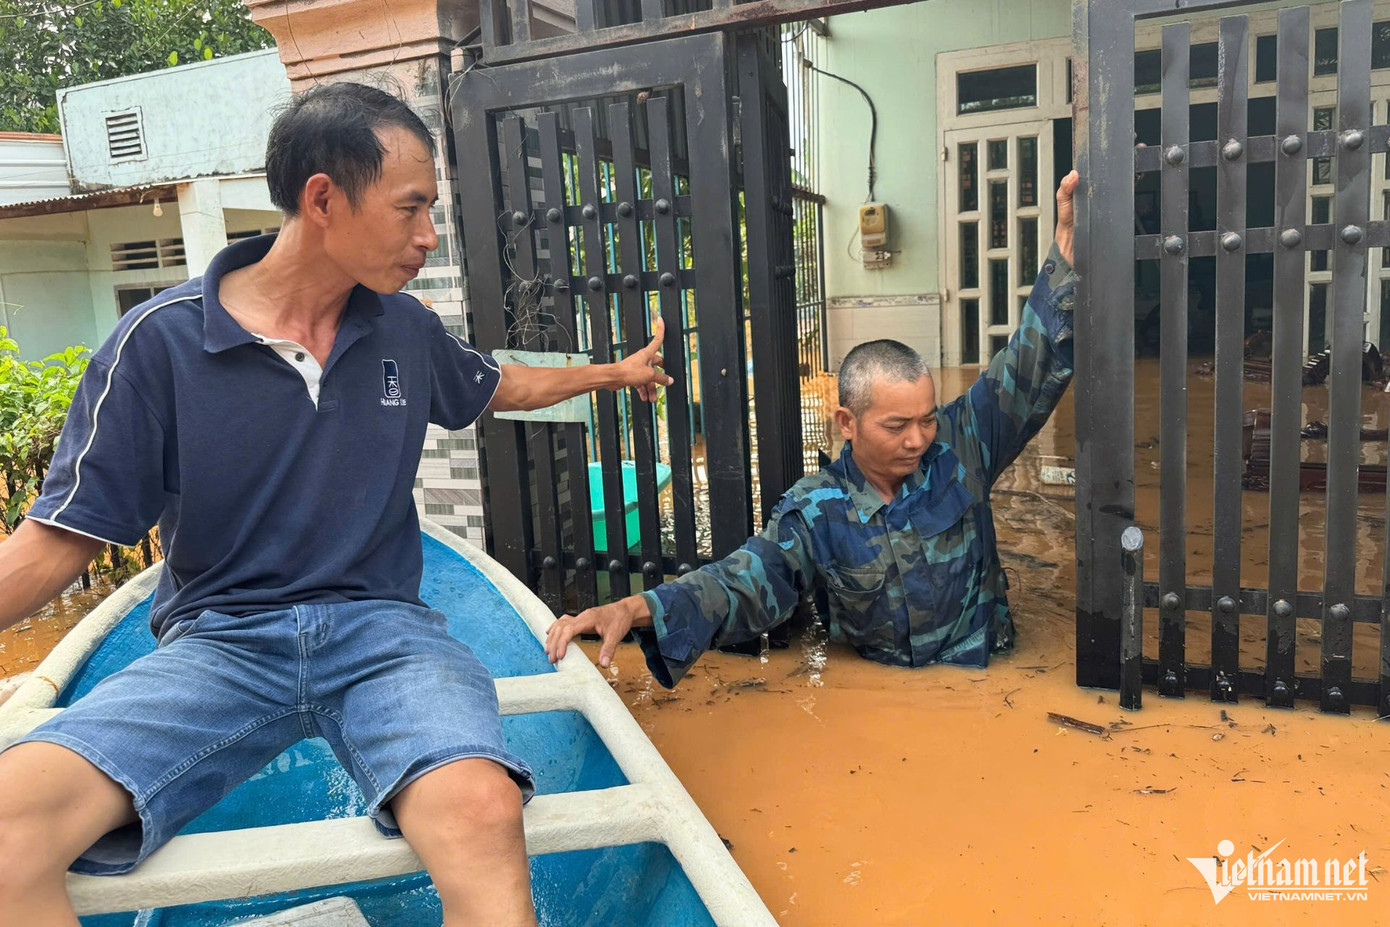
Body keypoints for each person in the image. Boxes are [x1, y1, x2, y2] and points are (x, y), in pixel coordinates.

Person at [0, 82, 672, 927]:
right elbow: (49, 547)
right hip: (222, 639)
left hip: (384, 635)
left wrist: (613, 373)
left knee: (484, 809)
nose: (428, 236)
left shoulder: (404, 329)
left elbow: (503, 383)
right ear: (323, 197)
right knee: (9, 828)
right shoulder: (159, 344)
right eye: (410, 209)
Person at [546, 171, 1080, 688]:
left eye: (926, 418)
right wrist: (636, 607)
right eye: (897, 426)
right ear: (847, 422)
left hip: (990, 681)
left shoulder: (962, 445)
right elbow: (741, 581)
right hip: (887, 707)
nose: (918, 439)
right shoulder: (817, 512)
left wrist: (1066, 258)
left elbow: (1027, 367)